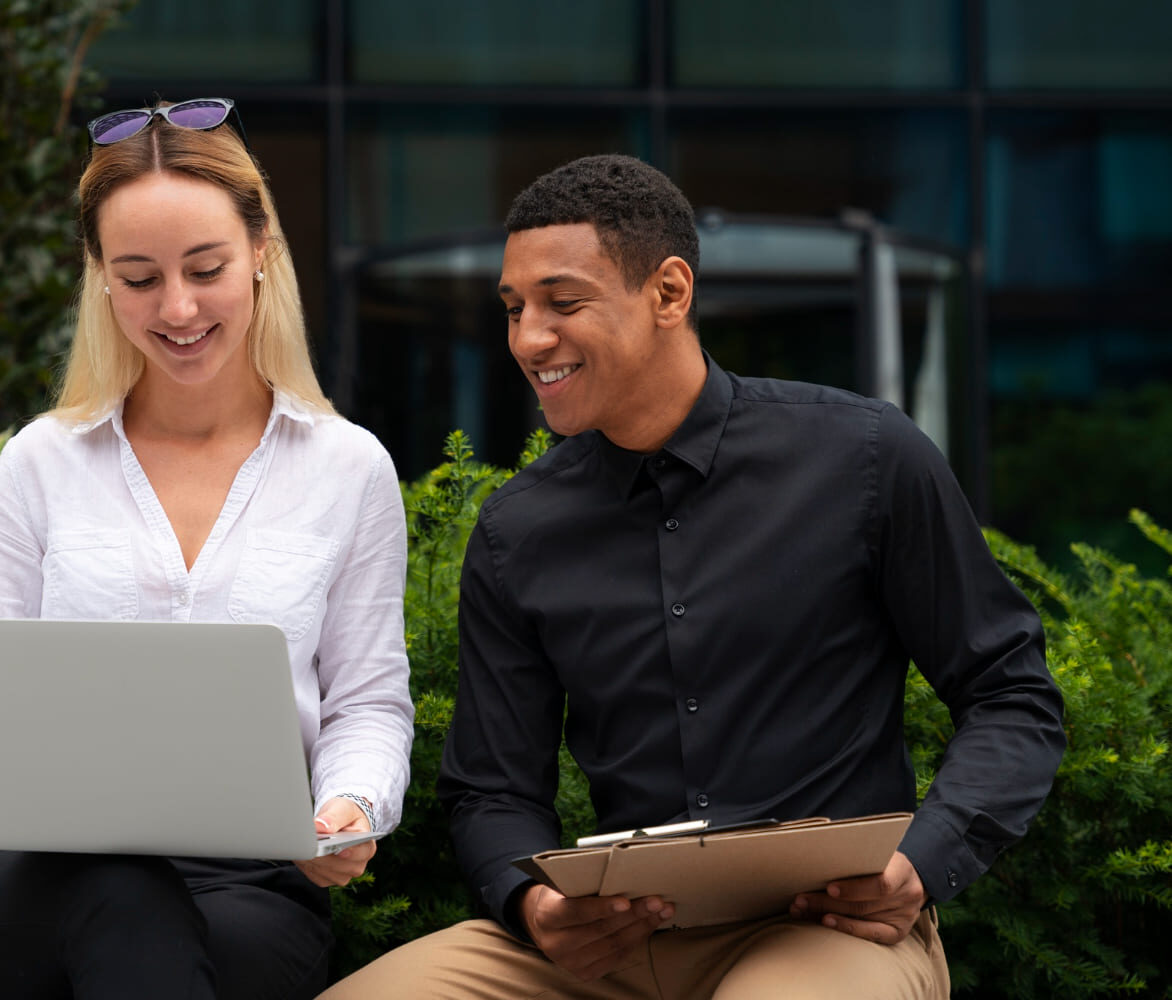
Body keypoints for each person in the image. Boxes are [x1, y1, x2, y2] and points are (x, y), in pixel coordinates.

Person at [319, 154, 1065, 999]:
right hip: (610, 947)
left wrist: (922, 863)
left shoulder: (865, 459)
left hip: (828, 932)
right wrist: (533, 906)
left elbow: (1011, 692)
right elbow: (492, 790)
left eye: (563, 303)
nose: (529, 338)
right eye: (514, 309)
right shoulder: (516, 530)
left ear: (669, 294)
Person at [0, 98, 413, 1000]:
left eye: (205, 268)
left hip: (247, 891)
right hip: (22, 882)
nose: (177, 308)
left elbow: (367, 702)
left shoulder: (348, 469)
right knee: (120, 893)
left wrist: (349, 810)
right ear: (99, 275)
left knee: (157, 933)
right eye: (138, 277)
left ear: (262, 250)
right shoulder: (41, 460)